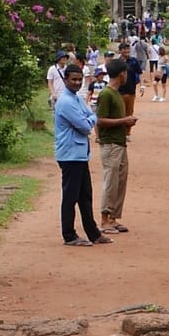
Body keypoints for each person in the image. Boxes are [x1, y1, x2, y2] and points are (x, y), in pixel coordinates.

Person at [53, 63, 106, 246]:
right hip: (70, 155)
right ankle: (69, 235)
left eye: (79, 79)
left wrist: (89, 118)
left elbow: (90, 117)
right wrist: (89, 119)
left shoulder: (76, 99)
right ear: (66, 80)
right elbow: (85, 125)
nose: (77, 83)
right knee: (71, 196)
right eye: (73, 80)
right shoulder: (66, 102)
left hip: (79, 154)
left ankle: (93, 233)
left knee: (85, 195)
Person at [95, 54, 136, 231]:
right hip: (110, 144)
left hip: (119, 143)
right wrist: (124, 121)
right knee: (110, 181)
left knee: (120, 180)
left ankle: (113, 218)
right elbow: (100, 120)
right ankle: (104, 219)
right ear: (121, 74)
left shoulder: (116, 94)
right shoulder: (106, 94)